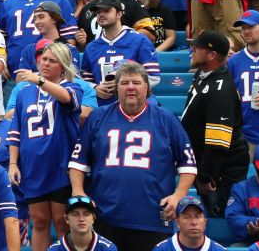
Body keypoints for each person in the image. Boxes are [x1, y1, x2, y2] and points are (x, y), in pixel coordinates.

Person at [68, 62, 197, 251]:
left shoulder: (166, 119)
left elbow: (188, 165)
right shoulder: (98, 117)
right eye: (124, 83)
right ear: (116, 88)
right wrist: (78, 191)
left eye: (136, 83)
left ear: (146, 87)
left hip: (152, 216)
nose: (130, 87)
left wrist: (179, 195)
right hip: (105, 216)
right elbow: (78, 162)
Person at [8, 41, 84, 251]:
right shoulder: (24, 93)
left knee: (61, 221)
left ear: (63, 66)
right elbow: (16, 131)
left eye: (52, 60)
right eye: (43, 58)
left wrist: (39, 80)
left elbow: (67, 98)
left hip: (60, 165)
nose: (45, 63)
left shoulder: (72, 87)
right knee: (39, 221)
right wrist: (13, 163)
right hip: (33, 166)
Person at [181, 31, 249, 216]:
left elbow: (217, 143)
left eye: (197, 47)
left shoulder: (221, 89)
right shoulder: (203, 75)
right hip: (207, 164)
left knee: (219, 216)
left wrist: (204, 176)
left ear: (211, 55)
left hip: (221, 171)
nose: (192, 50)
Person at [150, 196, 228, 251]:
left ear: (205, 222)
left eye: (197, 217)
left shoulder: (218, 250)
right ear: (177, 223)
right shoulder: (162, 249)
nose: (194, 222)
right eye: (187, 217)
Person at [45, 195, 117, 251]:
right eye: (75, 214)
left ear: (93, 218)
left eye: (86, 214)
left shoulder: (107, 248)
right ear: (66, 218)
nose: (81, 219)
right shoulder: (55, 249)